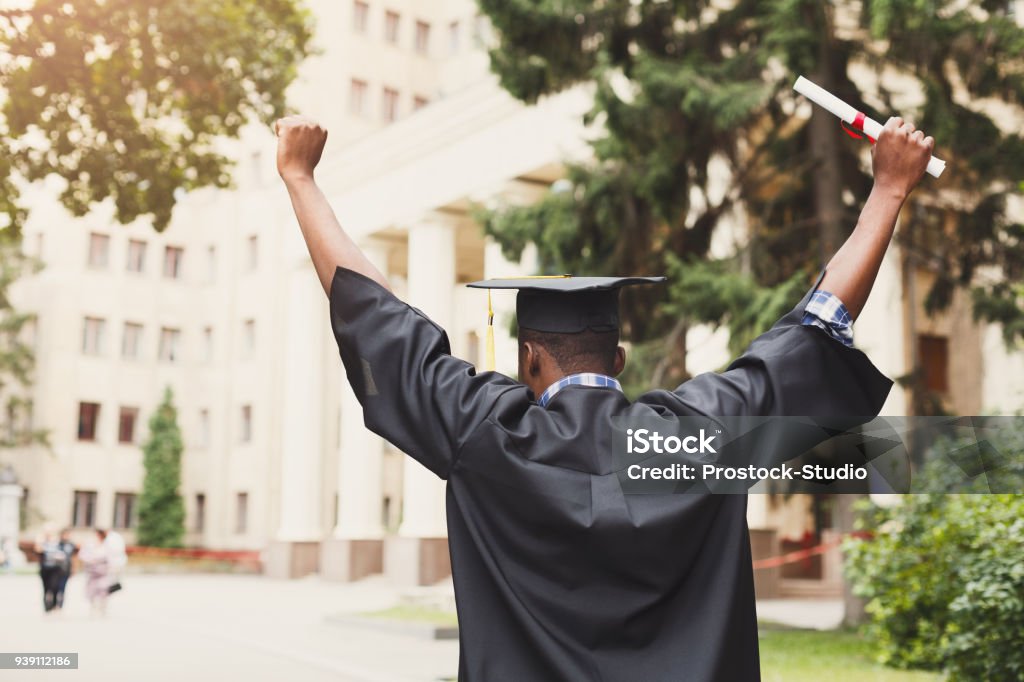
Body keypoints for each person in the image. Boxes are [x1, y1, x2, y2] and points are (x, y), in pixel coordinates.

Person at [275, 114, 933, 680]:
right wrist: (890, 188)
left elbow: (377, 320)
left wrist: (301, 180)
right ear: (618, 358)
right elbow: (817, 325)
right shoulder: (702, 430)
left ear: (528, 359)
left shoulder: (484, 433)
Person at [34, 523, 65, 613]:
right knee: (46, 587)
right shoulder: (42, 541)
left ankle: (55, 604)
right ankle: (47, 607)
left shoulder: (57, 542)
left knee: (54, 586)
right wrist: (40, 541)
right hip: (45, 568)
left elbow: (64, 553)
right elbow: (37, 550)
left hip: (56, 568)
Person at [79, 529, 110, 616]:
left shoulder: (106, 545)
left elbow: (111, 557)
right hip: (91, 571)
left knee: (103, 589)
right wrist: (90, 560)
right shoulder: (89, 545)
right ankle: (93, 607)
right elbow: (82, 555)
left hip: (103, 571)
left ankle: (102, 607)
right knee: (91, 590)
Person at [52, 529, 76, 611]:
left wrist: (73, 569)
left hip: (65, 569)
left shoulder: (71, 545)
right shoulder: (57, 544)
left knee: (62, 588)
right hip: (56, 569)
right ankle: (54, 604)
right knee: (55, 588)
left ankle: (60, 605)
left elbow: (73, 558)